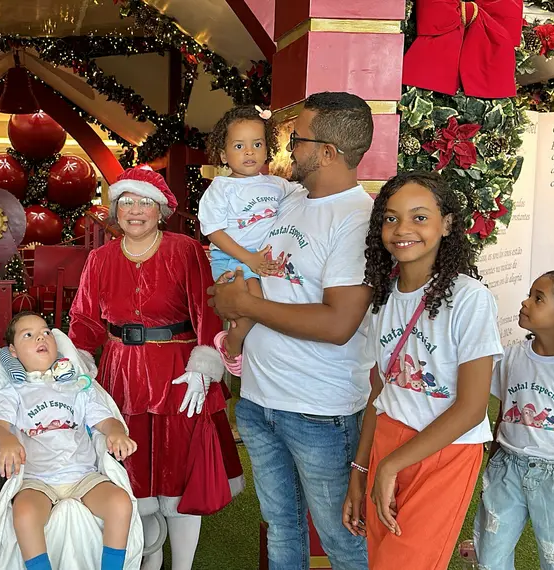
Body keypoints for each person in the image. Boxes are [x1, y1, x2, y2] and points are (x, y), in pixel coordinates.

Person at [209, 92, 375, 569]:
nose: (285, 148)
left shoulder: (357, 220)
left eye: (296, 139)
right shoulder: (292, 198)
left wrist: (245, 305)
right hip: (260, 399)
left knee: (342, 539)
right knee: (281, 528)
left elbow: (339, 324)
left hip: (317, 410)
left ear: (327, 152)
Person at [69, 166, 244, 570]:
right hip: (120, 377)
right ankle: (147, 559)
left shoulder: (185, 250)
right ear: (115, 209)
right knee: (132, 476)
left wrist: (204, 366)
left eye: (145, 202)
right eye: (126, 202)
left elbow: (207, 312)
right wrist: (78, 362)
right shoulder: (99, 259)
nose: (135, 210)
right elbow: (85, 322)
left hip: (180, 376)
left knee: (179, 477)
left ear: (160, 210)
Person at [341, 171, 502, 569]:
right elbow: (379, 393)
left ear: (446, 224)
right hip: (386, 441)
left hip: (445, 452)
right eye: (391, 218)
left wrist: (391, 466)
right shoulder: (382, 298)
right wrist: (361, 470)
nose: (402, 229)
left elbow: (472, 409)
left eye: (419, 217)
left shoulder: (470, 299)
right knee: (380, 560)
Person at [0, 312, 137, 570]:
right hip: (37, 479)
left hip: (83, 475)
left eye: (46, 332)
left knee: (120, 503)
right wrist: (7, 440)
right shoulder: (13, 392)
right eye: (28, 335)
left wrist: (115, 432)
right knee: (24, 512)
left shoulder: (78, 387)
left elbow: (106, 421)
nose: (40, 338)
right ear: (13, 351)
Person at [473, 271, 554, 569]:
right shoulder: (510, 356)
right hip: (507, 468)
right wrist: (493, 459)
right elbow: (503, 411)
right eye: (529, 294)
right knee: (490, 556)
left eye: (538, 298)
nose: (525, 302)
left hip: (552, 475)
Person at [199, 105, 301, 310]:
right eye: (239, 146)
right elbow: (213, 231)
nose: (249, 151)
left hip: (262, 258)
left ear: (267, 149)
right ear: (224, 155)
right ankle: (235, 333)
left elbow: (303, 193)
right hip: (231, 257)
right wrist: (249, 258)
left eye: (257, 144)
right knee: (254, 299)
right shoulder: (221, 188)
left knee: (269, 298)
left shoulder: (276, 184)